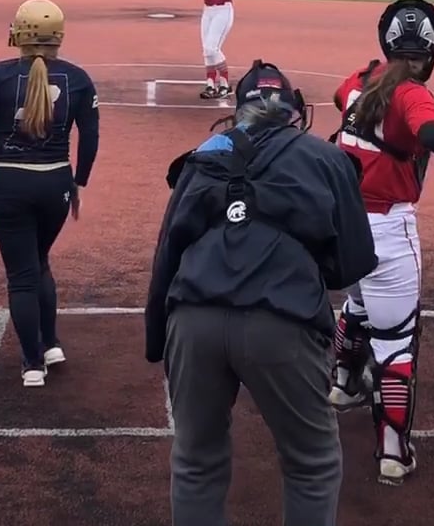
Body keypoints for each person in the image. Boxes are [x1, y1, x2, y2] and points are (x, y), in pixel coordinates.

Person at [145, 61, 377, 526]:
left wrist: (158, 343)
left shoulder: (202, 155)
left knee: (195, 462)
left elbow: (167, 253)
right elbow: (352, 263)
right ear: (293, 110)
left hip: (193, 317)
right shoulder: (325, 157)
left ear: (239, 110)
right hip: (282, 316)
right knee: (311, 463)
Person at [328, 0, 434, 485]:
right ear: (431, 51)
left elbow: (342, 101)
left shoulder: (359, 80)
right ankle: (392, 452)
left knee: (358, 305)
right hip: (389, 231)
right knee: (396, 343)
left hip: (344, 227)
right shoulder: (411, 94)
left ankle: (342, 384)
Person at [0, 0, 101, 386]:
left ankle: (33, 363)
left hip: (8, 184)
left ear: (18, 33)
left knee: (22, 275)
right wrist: (79, 181)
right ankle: (50, 345)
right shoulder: (78, 78)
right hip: (56, 183)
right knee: (39, 261)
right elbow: (91, 136)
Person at [187, 0, 240, 99]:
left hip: (223, 11)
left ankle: (225, 85)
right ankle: (210, 85)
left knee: (212, 48)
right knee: (206, 51)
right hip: (208, 11)